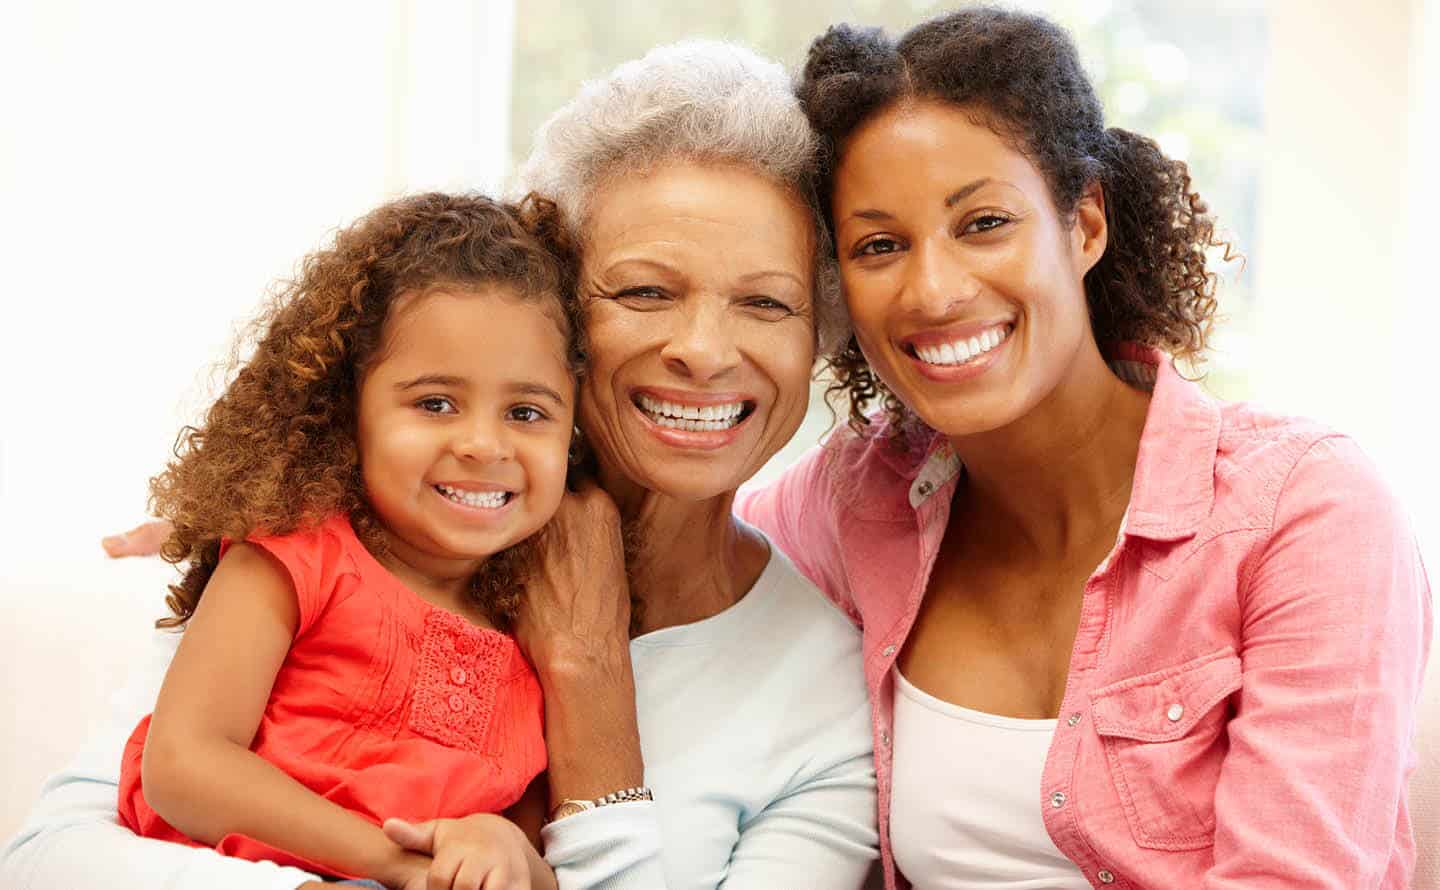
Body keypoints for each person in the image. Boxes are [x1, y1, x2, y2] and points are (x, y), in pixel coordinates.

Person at [0, 42, 877, 890]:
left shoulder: (823, 691)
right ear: (554, 310)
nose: (702, 350)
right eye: (645, 290)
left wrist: (589, 684)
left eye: (767, 302)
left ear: (820, 333)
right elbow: (51, 858)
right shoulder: (343, 530)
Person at [736, 8, 1432, 889]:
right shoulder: (854, 497)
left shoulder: (1306, 513)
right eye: (880, 245)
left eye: (983, 222)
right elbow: (680, 582)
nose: (935, 289)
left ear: (1086, 225)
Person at [123, 192, 583, 890]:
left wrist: (497, 842)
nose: (485, 445)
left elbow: (525, 844)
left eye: (527, 412)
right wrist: (392, 866)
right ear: (349, 410)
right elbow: (182, 767)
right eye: (435, 403)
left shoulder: (539, 621)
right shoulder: (295, 557)